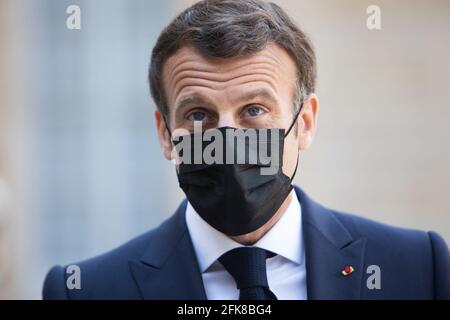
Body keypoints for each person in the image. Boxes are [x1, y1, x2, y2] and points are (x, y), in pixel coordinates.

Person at [43, 0, 449, 300]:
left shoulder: (417, 269)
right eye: (199, 114)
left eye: (254, 109)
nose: (227, 137)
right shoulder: (86, 290)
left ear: (304, 123)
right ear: (165, 134)